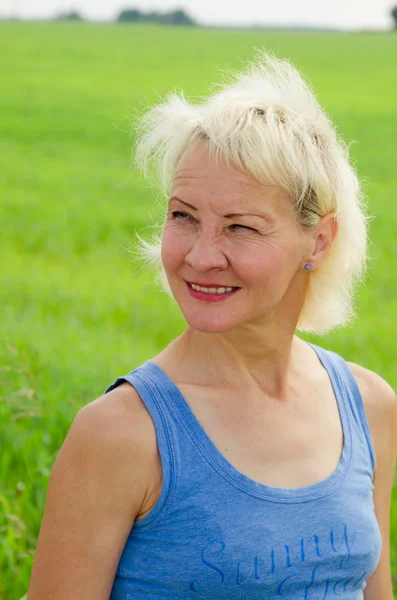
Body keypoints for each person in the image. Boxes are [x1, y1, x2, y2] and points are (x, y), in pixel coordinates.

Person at [28, 53, 397, 600]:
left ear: (318, 240)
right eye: (183, 216)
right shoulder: (122, 435)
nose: (201, 256)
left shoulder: (369, 407)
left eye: (240, 227)